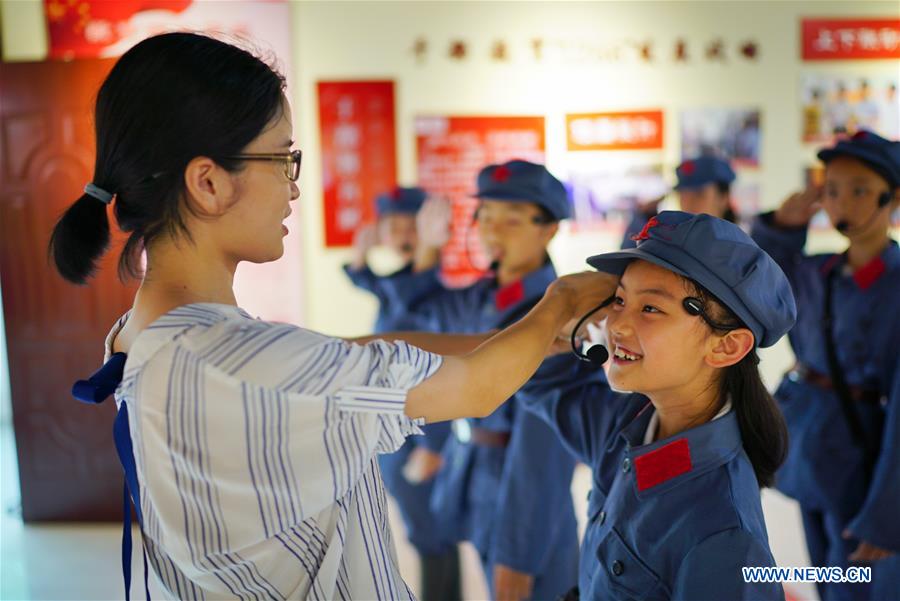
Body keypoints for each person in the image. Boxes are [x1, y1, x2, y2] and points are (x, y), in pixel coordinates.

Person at [50, 32, 615, 600]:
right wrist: (562, 303)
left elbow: (346, 352)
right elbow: (472, 387)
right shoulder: (235, 359)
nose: (292, 189)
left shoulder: (145, 335)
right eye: (281, 159)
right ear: (209, 182)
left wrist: (520, 334)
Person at [518, 210, 796, 600]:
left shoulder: (725, 537)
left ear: (727, 346)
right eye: (619, 300)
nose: (616, 325)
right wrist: (564, 317)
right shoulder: (628, 421)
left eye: (650, 308)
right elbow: (539, 382)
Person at [406, 160, 587, 600]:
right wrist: (428, 248)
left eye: (511, 220)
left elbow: (541, 455)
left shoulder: (555, 317)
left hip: (526, 503)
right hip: (477, 478)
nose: (492, 231)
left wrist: (518, 557)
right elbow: (417, 318)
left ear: (549, 230)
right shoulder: (486, 295)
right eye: (485, 216)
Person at [750, 130, 900, 600]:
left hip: (866, 458)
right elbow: (757, 282)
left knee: (863, 579)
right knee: (826, 575)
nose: (841, 204)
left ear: (892, 198)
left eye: (859, 190)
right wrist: (781, 226)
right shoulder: (818, 273)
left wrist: (888, 513)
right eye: (831, 190)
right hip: (811, 445)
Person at [344, 187, 461, 600]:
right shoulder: (400, 284)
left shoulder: (431, 295)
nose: (400, 234)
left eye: (409, 225)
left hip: (419, 432)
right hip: (392, 427)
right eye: (391, 226)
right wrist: (360, 257)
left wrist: (435, 446)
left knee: (430, 533)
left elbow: (441, 372)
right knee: (422, 530)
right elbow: (373, 284)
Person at [620, 156, 737, 249]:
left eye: (698, 194)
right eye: (683, 194)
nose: (689, 202)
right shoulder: (670, 242)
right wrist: (644, 221)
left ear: (724, 197)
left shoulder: (741, 249)